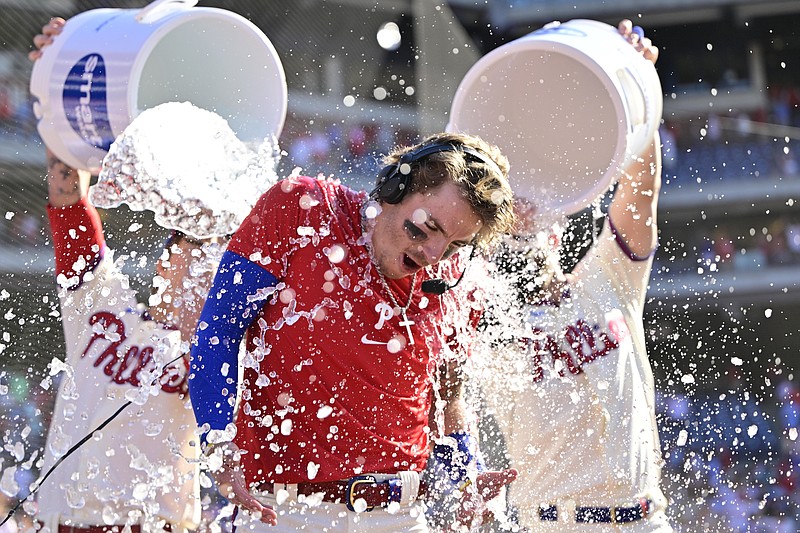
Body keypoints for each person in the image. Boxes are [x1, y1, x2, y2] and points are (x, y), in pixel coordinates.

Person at [189, 132, 519, 531]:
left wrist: (466, 472)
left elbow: (449, 397)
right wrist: (219, 444)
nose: (432, 256)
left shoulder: (457, 282)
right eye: (426, 228)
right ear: (395, 187)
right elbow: (218, 332)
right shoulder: (301, 207)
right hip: (285, 512)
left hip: (402, 516)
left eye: (452, 246)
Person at [472, 20, 674, 532]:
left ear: (558, 237)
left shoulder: (607, 279)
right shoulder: (481, 317)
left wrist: (636, 91)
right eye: (505, 225)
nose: (521, 220)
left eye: (533, 219)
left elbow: (641, 190)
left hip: (645, 522)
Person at [29, 18, 228, 531]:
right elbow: (68, 195)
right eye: (193, 254)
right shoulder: (100, 301)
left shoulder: (223, 350)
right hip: (65, 522)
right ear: (165, 264)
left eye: (215, 261)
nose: (204, 272)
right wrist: (59, 74)